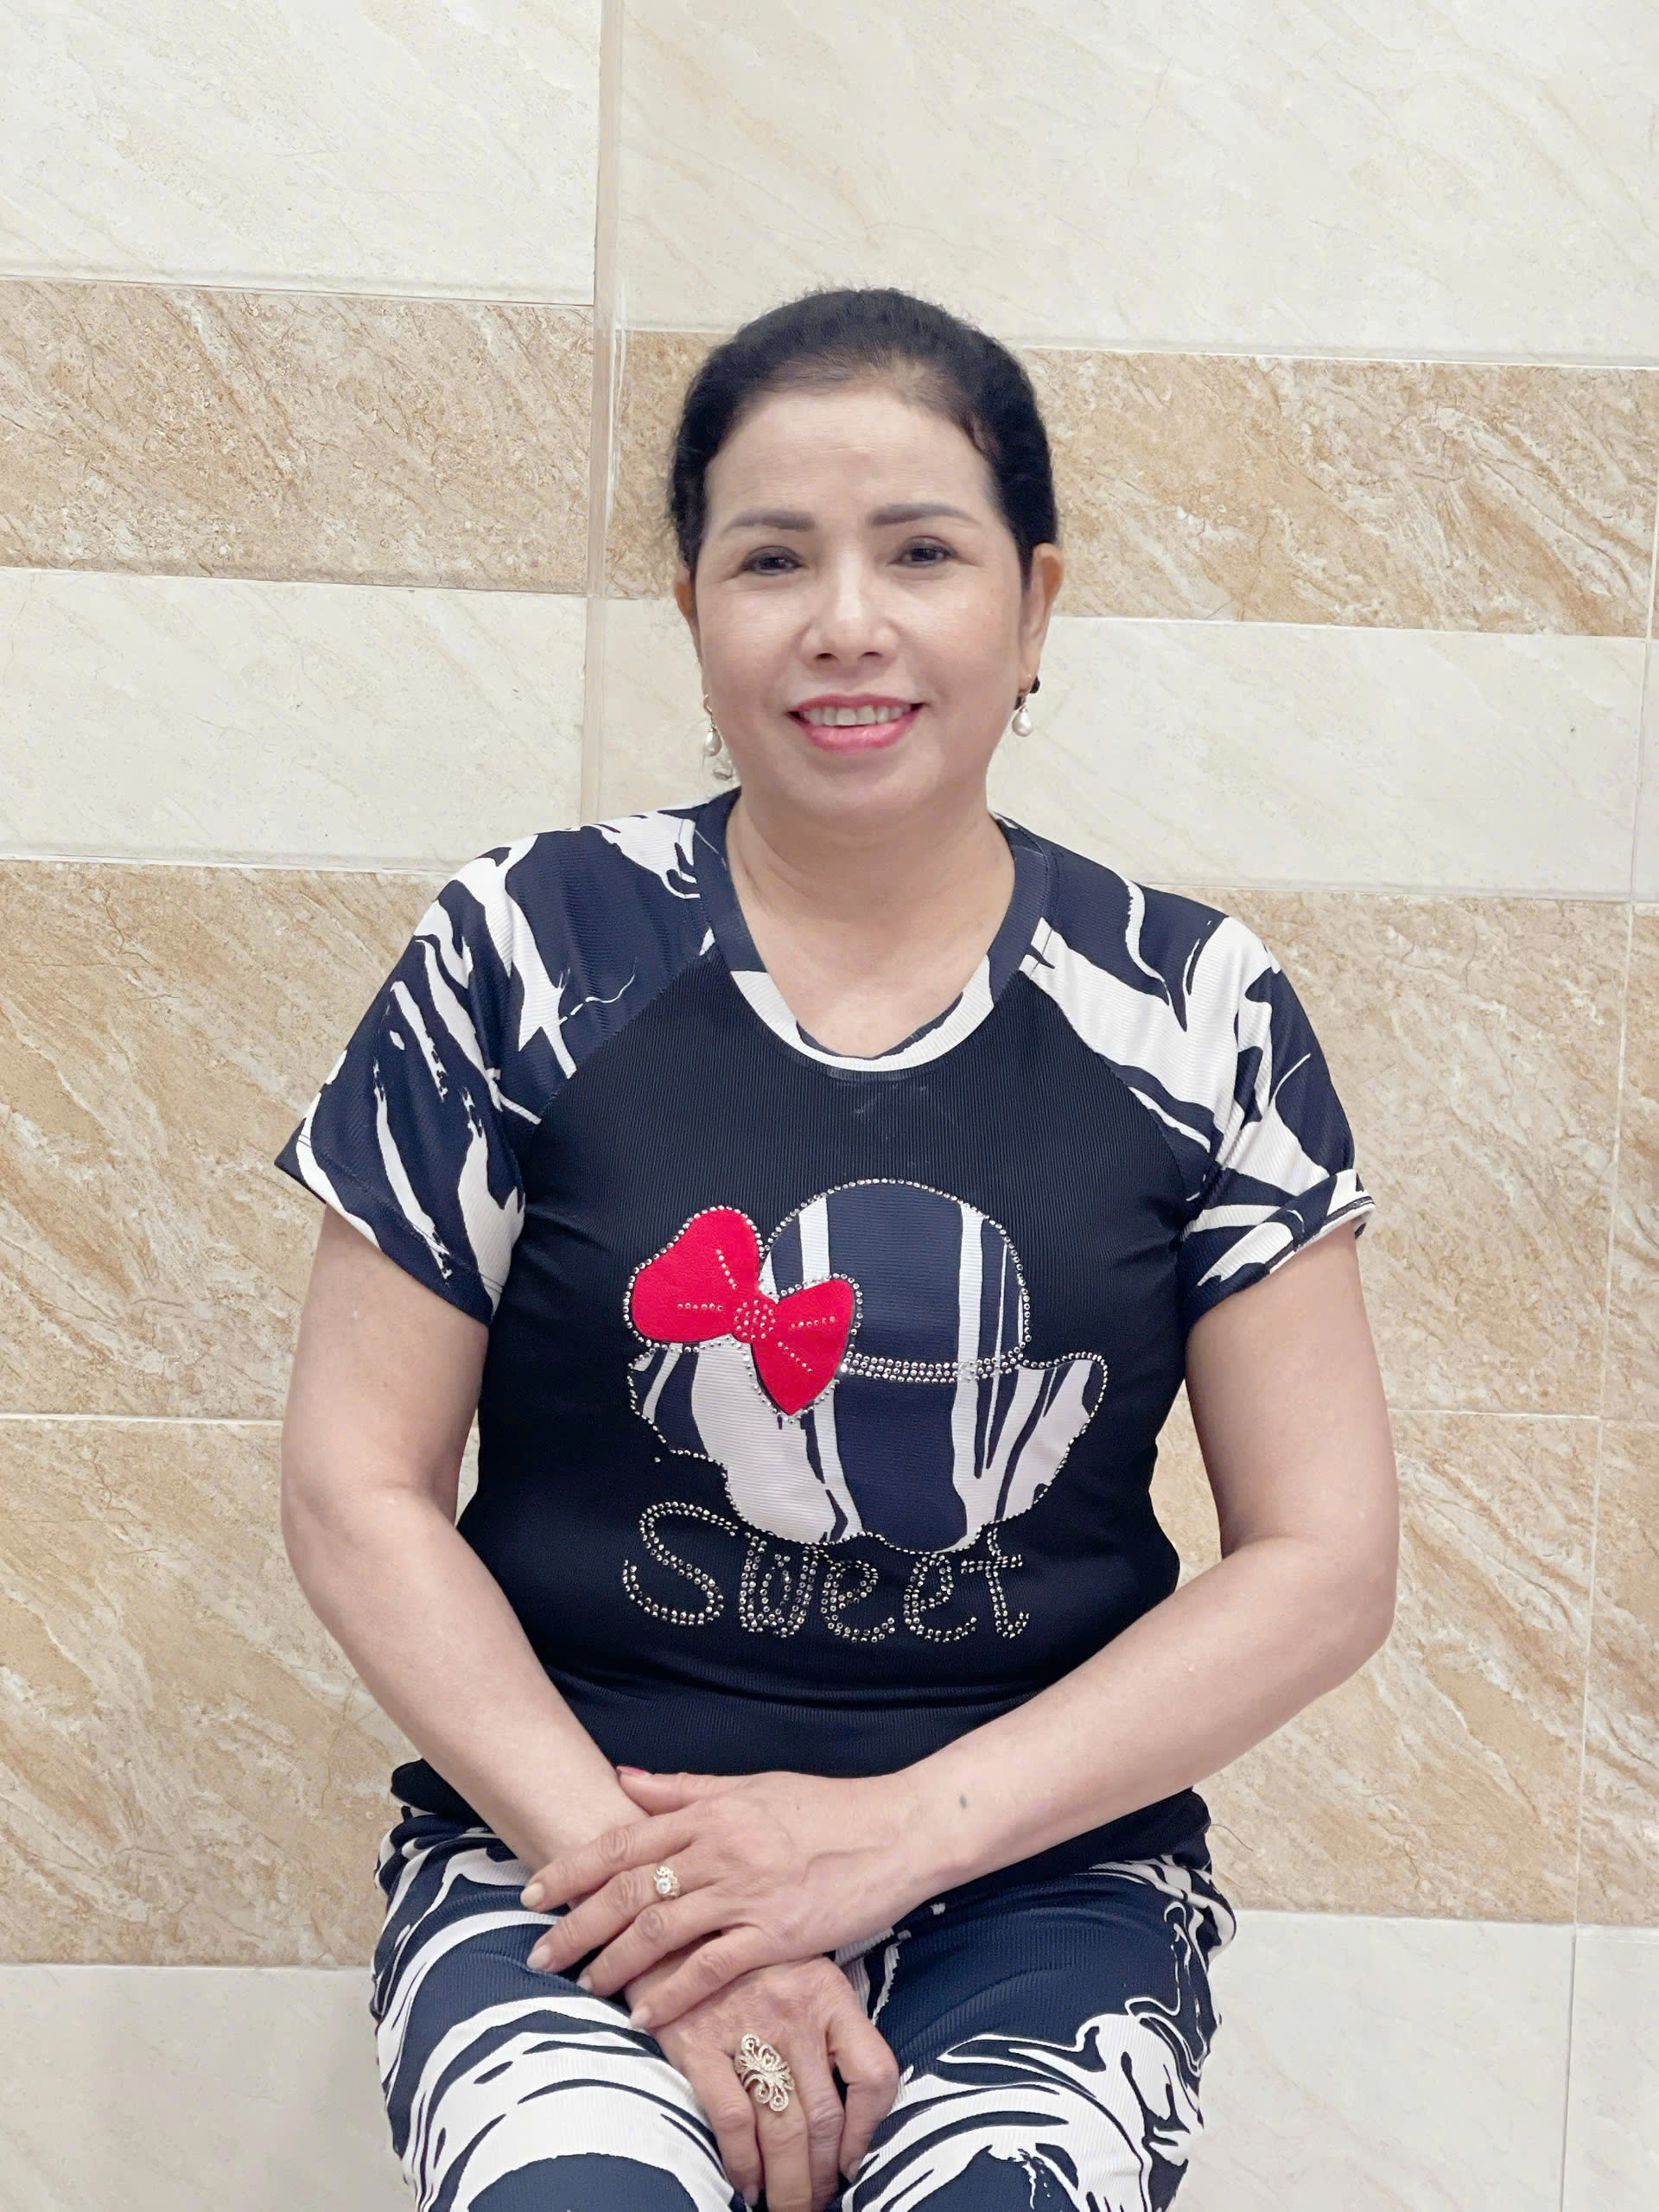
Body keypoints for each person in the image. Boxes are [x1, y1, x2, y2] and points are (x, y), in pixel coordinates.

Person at [276, 288, 1398, 2212]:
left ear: (1035, 609)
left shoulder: (1194, 1005)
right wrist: (678, 1911)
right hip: (569, 1853)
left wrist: (883, 1842)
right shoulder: (524, 949)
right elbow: (353, 1485)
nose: (846, 622)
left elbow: (1325, 1561)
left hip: (1034, 1876)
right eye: (773, 558)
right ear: (694, 608)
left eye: (923, 553)